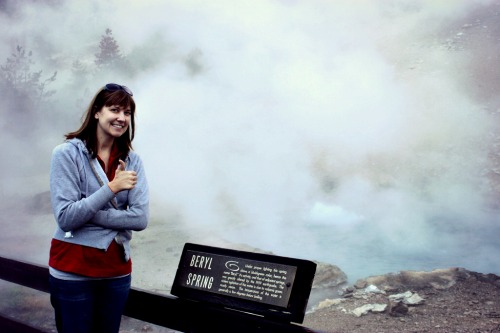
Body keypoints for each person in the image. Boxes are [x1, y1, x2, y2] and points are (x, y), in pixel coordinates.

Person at [48, 83, 149, 333]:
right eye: (114, 109)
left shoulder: (133, 160)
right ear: (96, 112)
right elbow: (66, 218)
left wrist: (90, 216)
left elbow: (139, 219)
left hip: (116, 272)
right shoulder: (66, 155)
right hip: (73, 271)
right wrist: (112, 188)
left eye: (127, 113)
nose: (121, 118)